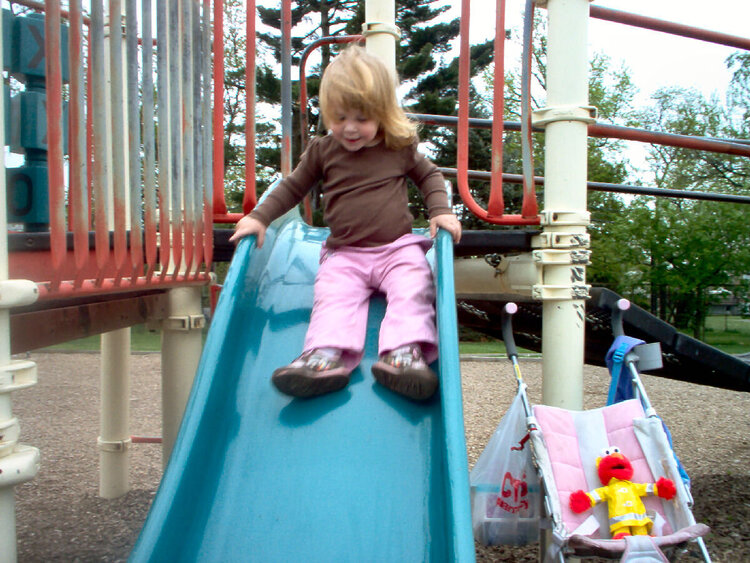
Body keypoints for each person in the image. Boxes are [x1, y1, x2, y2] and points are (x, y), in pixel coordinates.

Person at [229, 45, 461, 401]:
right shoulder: (323, 151)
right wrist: (260, 218)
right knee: (332, 297)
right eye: (339, 118)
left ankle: (403, 355)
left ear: (383, 114)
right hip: (345, 255)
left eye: (362, 119)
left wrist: (440, 210)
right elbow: (292, 186)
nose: (350, 128)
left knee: (414, 288)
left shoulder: (399, 146)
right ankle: (324, 358)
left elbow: (430, 177)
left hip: (397, 250)